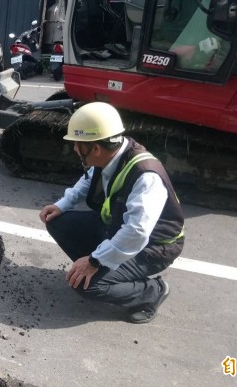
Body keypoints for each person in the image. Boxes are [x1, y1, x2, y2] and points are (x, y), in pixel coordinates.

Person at [39, 102, 184, 324]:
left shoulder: (146, 176)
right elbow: (88, 180)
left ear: (95, 148)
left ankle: (153, 291)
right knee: (57, 221)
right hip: (115, 228)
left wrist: (95, 261)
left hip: (154, 247)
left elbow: (136, 232)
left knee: (86, 286)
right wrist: (62, 204)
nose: (75, 149)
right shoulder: (110, 154)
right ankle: (102, 267)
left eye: (78, 144)